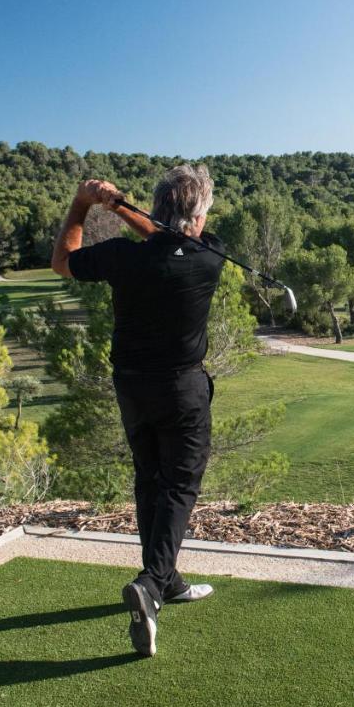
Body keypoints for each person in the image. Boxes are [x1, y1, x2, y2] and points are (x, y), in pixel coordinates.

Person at [51, 164, 223, 657]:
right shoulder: (208, 255)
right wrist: (121, 206)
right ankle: (151, 585)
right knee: (179, 486)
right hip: (182, 390)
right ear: (199, 213)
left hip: (132, 389)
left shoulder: (122, 259)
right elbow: (170, 235)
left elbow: (64, 261)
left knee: (150, 481)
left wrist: (87, 204)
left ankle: (167, 581)